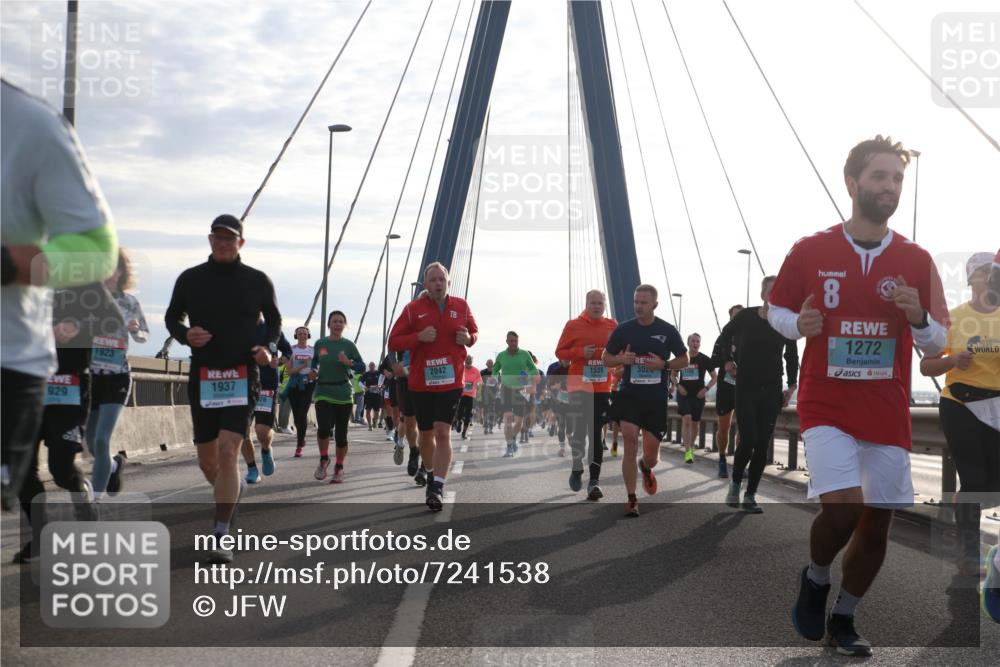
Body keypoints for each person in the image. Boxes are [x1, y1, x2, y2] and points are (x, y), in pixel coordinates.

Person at [769, 136, 949, 656]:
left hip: (887, 408)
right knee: (845, 509)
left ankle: (844, 617)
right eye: (879, 177)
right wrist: (796, 324)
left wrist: (917, 316)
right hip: (826, 403)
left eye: (896, 179)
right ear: (853, 183)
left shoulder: (916, 259)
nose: (889, 187)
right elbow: (776, 311)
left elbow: (937, 340)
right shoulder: (810, 249)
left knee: (878, 520)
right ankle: (816, 576)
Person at [1, 79, 118, 510]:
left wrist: (71, 326)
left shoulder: (29, 124)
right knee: (30, 474)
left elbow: (97, 258)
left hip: (55, 377)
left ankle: (82, 493)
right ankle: (38, 536)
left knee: (62, 466)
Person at [165, 214, 281, 564]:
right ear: (210, 240)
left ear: (241, 243)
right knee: (207, 461)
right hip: (204, 377)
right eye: (218, 237)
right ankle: (233, 492)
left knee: (230, 449)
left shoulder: (257, 280)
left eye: (230, 238)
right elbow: (172, 316)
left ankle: (221, 533)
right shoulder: (190, 278)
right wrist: (184, 335)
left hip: (242, 374)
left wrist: (269, 349)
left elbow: (274, 321)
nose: (224, 243)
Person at [15, 284, 123, 563]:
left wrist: (76, 325)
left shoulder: (87, 283)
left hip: (69, 385)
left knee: (61, 469)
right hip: (26, 386)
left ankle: (83, 502)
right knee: (23, 470)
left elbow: (113, 322)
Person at [919, 252, 999, 575]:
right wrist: (952, 361)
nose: (987, 276)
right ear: (970, 280)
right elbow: (926, 366)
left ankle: (962, 505)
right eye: (980, 271)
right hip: (959, 403)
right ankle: (969, 553)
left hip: (995, 406)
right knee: (975, 479)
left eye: (991, 271)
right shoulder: (954, 319)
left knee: (992, 483)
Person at [388, 263, 477, 511]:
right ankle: (429, 473)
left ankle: (437, 485)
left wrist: (469, 339)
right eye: (433, 280)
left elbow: (474, 332)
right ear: (426, 284)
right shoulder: (412, 310)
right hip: (421, 383)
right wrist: (417, 338)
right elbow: (393, 341)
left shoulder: (461, 306)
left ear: (448, 282)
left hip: (451, 382)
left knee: (442, 432)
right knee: (426, 435)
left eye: (442, 279)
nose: (438, 283)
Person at [603, 284, 688, 517]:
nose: (638, 306)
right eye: (635, 302)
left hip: (655, 399)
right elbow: (606, 359)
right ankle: (632, 499)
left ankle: (645, 467)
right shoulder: (623, 330)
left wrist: (665, 365)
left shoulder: (667, 330)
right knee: (629, 443)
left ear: (654, 305)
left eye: (643, 303)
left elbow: (684, 359)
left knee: (651, 456)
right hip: (629, 395)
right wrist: (621, 358)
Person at [715, 277, 798, 513]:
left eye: (780, 292)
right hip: (746, 386)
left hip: (771, 388)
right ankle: (735, 483)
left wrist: (791, 385)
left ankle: (750, 494)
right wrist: (728, 360)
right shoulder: (746, 316)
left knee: (762, 444)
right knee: (748, 439)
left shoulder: (785, 322)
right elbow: (724, 337)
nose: (775, 296)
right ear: (763, 294)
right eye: (771, 291)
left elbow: (791, 356)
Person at [86, 248, 149, 498]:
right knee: (91, 443)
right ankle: (112, 464)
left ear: (123, 272)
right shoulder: (87, 299)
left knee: (102, 439)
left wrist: (135, 330)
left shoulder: (130, 302)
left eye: (115, 268)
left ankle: (95, 499)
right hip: (91, 377)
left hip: (118, 376)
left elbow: (143, 336)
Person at [555, 289, 618, 500]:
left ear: (605, 305)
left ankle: (594, 482)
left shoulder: (612, 326)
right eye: (593, 303)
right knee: (580, 433)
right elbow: (560, 353)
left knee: (596, 435)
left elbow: (617, 353)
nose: (597, 306)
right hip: (579, 386)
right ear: (586, 304)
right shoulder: (573, 325)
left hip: (601, 388)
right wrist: (581, 353)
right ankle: (576, 468)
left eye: (600, 303)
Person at [308, 311, 363, 484]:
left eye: (341, 321)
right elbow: (314, 362)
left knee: (341, 436)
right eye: (334, 321)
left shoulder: (349, 345)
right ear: (329, 325)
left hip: (343, 394)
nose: (337, 324)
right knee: (323, 429)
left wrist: (349, 363)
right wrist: (314, 371)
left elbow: (361, 367)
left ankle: (339, 467)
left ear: (344, 325)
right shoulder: (320, 343)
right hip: (323, 391)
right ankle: (324, 458)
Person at [241, 315, 291, 484]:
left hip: (267, 386)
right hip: (242, 386)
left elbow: (287, 350)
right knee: (241, 431)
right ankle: (252, 469)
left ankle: (266, 448)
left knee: (262, 431)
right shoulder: (236, 327)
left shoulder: (272, 330)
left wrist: (280, 361)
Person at [672, 333, 717, 465]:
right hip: (684, 394)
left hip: (699, 395)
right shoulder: (681, 358)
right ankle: (687, 452)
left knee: (695, 423)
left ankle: (690, 448)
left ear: (700, 344)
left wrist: (706, 389)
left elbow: (715, 376)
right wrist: (678, 386)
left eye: (697, 341)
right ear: (688, 343)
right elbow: (673, 375)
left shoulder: (705, 359)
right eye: (693, 341)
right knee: (686, 419)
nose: (695, 343)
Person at [710, 305, 743, 477]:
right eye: (735, 317)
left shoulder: (750, 337)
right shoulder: (723, 338)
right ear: (730, 319)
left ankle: (740, 462)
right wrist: (726, 360)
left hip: (744, 388)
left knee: (744, 428)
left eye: (741, 316)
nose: (738, 320)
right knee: (724, 426)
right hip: (726, 387)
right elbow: (712, 361)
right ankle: (722, 459)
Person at [492, 332, 538, 457]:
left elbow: (534, 369)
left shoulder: (525, 354)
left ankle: (512, 438)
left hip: (521, 390)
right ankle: (509, 446)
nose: (513, 343)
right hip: (506, 390)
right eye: (511, 341)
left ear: (518, 341)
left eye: (515, 341)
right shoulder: (501, 356)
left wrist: (528, 375)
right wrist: (495, 377)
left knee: (519, 422)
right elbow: (495, 369)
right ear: (506, 341)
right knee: (508, 419)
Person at [285, 326, 315, 457]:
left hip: (308, 384)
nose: (302, 335)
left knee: (302, 412)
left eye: (304, 333)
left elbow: (317, 367)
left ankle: (299, 443)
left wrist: (314, 372)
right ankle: (301, 436)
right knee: (297, 415)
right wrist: (304, 365)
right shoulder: (291, 350)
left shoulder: (313, 350)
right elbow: (289, 371)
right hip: (294, 384)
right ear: (296, 335)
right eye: (299, 333)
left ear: (308, 335)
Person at [458, 356, 482, 440]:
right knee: (459, 411)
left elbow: (480, 383)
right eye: (467, 360)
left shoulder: (476, 371)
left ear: (472, 361)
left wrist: (478, 393)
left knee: (468, 415)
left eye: (470, 360)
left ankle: (464, 432)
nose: (468, 361)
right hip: (461, 394)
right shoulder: (460, 368)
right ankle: (459, 421)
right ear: (464, 360)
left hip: (471, 395)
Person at [361, 362, 383, 431]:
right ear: (369, 366)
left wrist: (380, 386)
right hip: (368, 395)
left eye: (373, 365)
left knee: (376, 411)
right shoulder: (366, 374)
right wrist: (364, 387)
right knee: (368, 410)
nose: (371, 367)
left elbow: (383, 381)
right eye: (370, 366)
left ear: (375, 366)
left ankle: (374, 420)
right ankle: (370, 425)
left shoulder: (379, 373)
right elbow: (360, 382)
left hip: (377, 395)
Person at [480, 359, 498, 434]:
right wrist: (482, 383)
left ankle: (490, 427)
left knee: (492, 410)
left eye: (491, 363)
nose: (490, 364)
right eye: (489, 363)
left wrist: (497, 385)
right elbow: (478, 381)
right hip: (485, 393)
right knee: (486, 410)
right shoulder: (482, 372)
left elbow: (499, 382)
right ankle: (486, 426)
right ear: (486, 364)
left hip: (493, 394)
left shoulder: (496, 372)